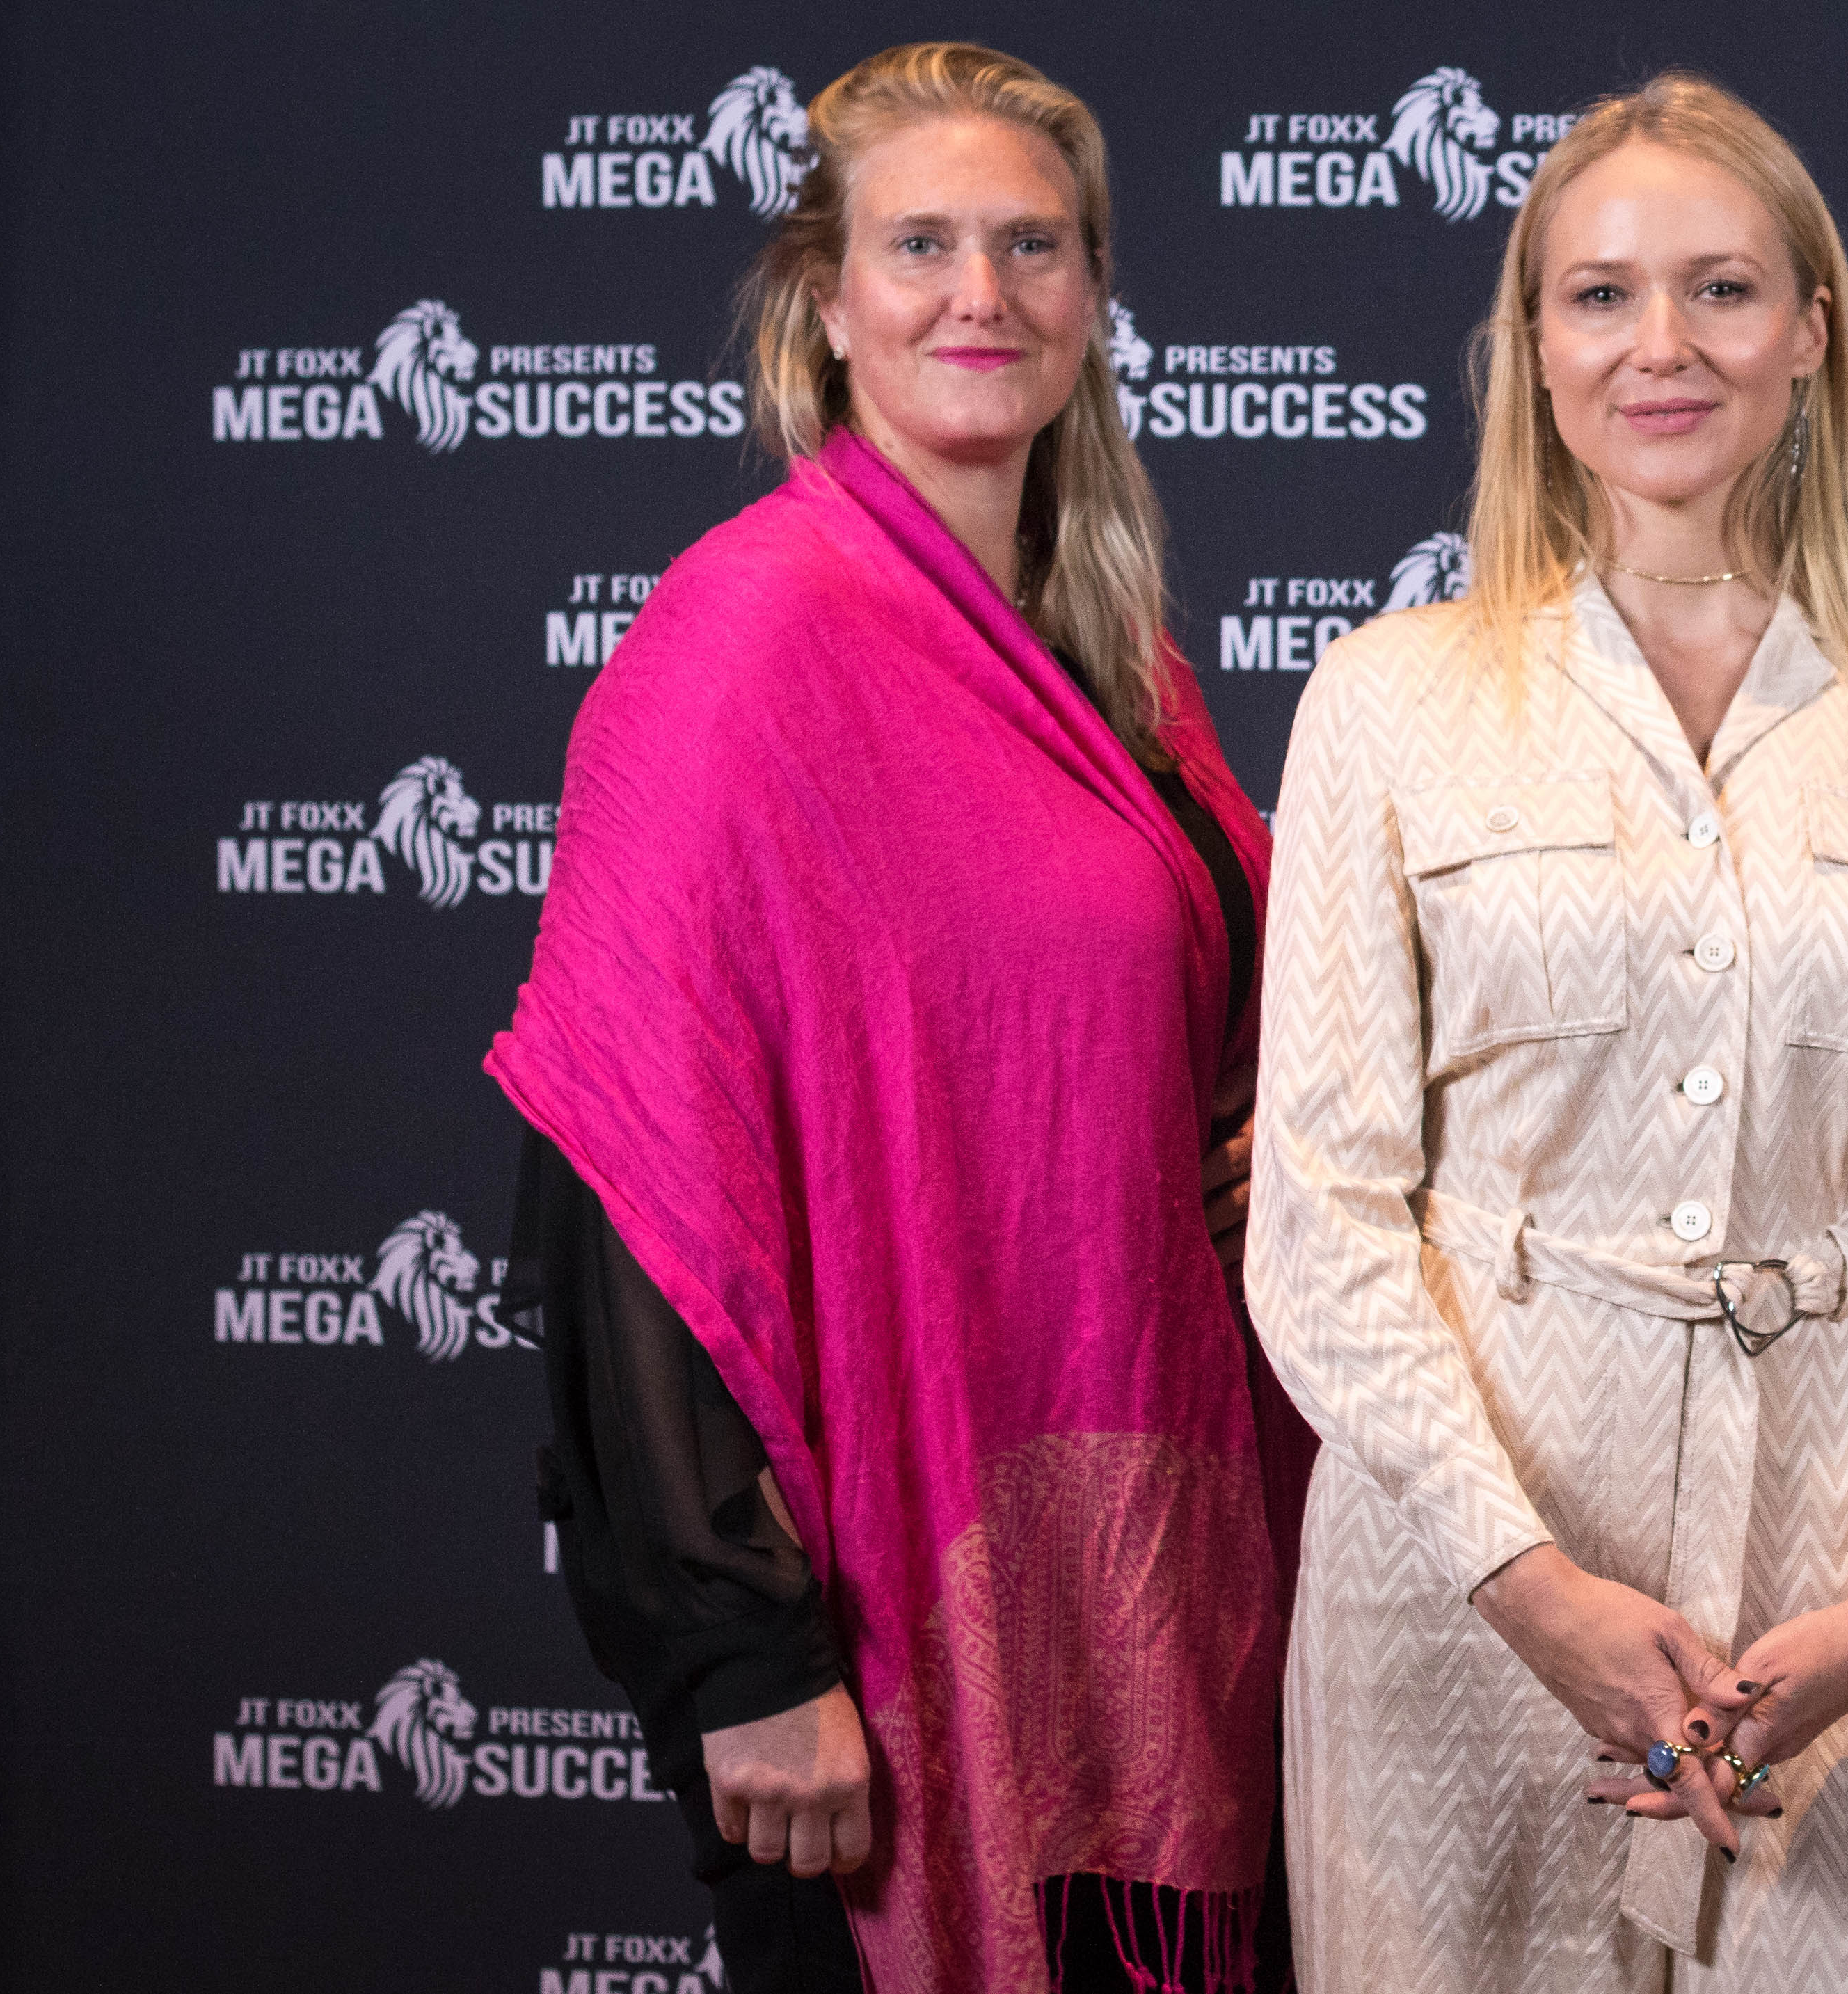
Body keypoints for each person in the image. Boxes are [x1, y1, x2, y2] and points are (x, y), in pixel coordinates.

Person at [487, 43, 1307, 1994]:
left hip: (1161, 1589)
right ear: (826, 302)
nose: (981, 294)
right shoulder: (743, 638)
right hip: (881, 1633)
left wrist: (1280, 1143)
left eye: (1033, 245)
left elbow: (1190, 1044)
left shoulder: (1125, 664)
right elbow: (626, 1176)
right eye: (920, 244)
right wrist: (740, 1653)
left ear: (1094, 298)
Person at [1248, 72, 1848, 1993]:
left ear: (1811, 333)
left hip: (1828, 1621)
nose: (1663, 344)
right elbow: (1325, 1216)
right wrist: (1528, 1584)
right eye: (1602, 295)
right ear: (1536, 351)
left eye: (1721, 288)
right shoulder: (1387, 703)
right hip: (1462, 1598)